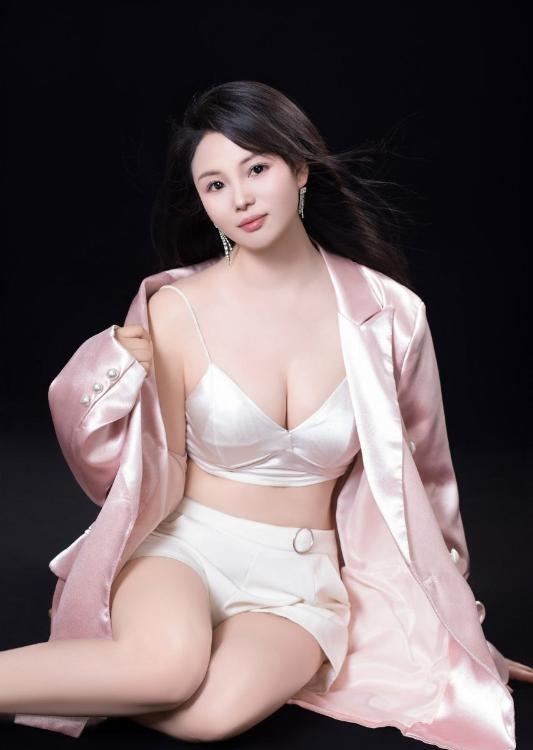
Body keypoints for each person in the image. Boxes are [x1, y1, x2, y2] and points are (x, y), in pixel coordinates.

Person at [2, 80, 531, 748]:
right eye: (215, 184)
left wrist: (458, 628)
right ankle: (131, 668)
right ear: (201, 200)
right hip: (183, 548)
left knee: (208, 717)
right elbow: (128, 468)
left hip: (302, 581)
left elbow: (426, 480)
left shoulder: (389, 315)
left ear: (300, 168)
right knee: (166, 670)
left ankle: (109, 676)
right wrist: (101, 371)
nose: (240, 198)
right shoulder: (177, 309)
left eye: (256, 169)